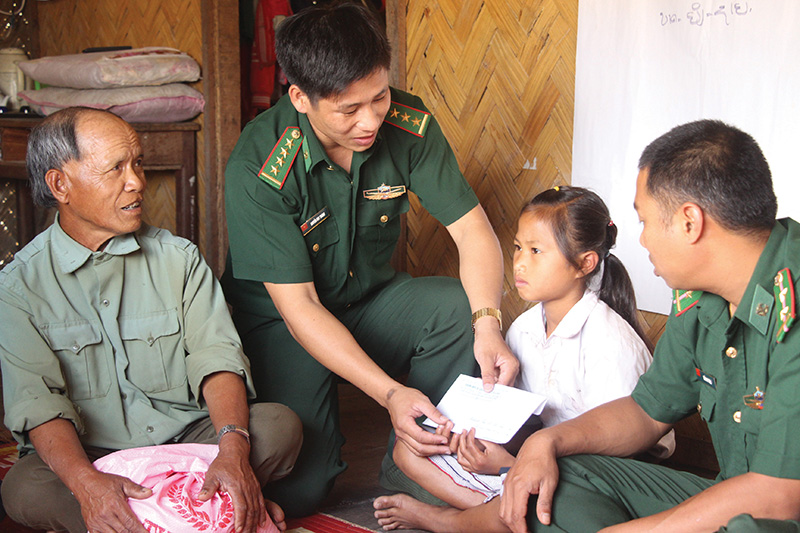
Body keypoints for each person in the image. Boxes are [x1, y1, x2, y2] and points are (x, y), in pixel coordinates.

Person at [221, 0, 517, 517]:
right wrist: (390, 394)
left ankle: (413, 471)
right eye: (348, 109)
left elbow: (472, 230)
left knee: (454, 308)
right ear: (300, 97)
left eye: (378, 97)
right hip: (283, 322)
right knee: (302, 490)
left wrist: (488, 323)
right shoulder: (259, 163)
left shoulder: (407, 123)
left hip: (367, 302)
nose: (369, 120)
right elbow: (301, 309)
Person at [0, 107, 303, 533]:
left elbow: (217, 358)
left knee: (277, 426)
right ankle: (212, 511)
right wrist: (87, 484)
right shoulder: (17, 287)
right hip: (95, 457)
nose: (137, 182)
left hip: (187, 440)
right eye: (116, 169)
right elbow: (39, 404)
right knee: (24, 488)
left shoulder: (178, 260)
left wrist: (232, 450)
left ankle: (176, 512)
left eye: (138, 163)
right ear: (60, 184)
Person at [490, 119, 800, 532]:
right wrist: (545, 442)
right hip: (737, 496)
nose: (642, 241)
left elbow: (780, 496)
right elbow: (646, 412)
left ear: (690, 222)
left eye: (645, 221)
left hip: (779, 512)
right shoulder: (701, 299)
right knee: (563, 478)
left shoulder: (791, 305)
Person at [374, 186, 672, 532]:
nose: (520, 261)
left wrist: (508, 466)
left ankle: (451, 520)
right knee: (406, 453)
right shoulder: (524, 328)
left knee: (546, 497)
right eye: (517, 247)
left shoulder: (611, 343)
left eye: (536, 250)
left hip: (594, 475)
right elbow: (524, 420)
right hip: (533, 458)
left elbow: (617, 454)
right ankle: (500, 511)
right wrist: (483, 447)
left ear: (584, 263)